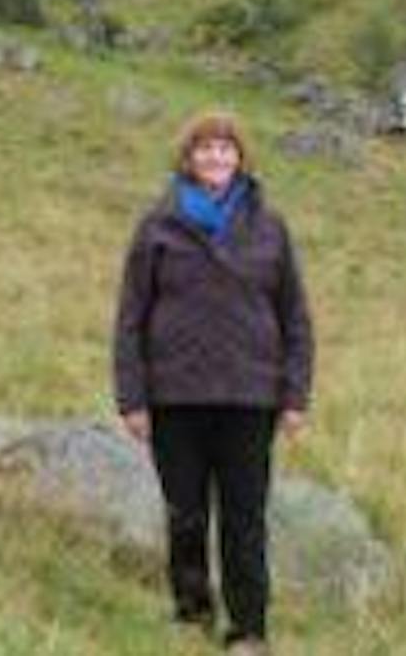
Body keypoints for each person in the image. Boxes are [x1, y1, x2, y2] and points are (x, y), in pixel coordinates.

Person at [112, 112, 314, 655]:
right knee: (185, 515)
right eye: (204, 148)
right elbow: (131, 318)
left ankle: (248, 630)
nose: (215, 158)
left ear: (241, 159)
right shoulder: (157, 226)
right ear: (187, 158)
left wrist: (295, 395)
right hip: (175, 398)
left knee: (244, 520)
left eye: (225, 149)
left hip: (250, 400)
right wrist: (132, 398)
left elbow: (295, 317)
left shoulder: (270, 228)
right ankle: (192, 614)